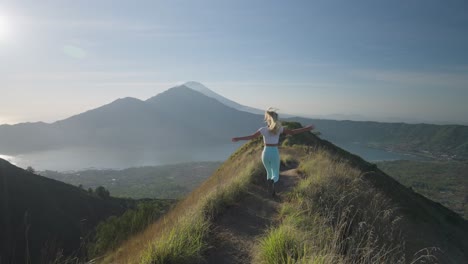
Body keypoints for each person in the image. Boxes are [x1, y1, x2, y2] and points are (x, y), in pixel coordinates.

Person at [231, 108, 314, 196]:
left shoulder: (262, 129)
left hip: (265, 153)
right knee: (275, 174)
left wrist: (238, 138)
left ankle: (271, 191)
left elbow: (251, 137)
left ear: (267, 119)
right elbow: (293, 132)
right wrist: (307, 128)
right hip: (274, 152)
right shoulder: (279, 129)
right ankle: (272, 183)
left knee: (269, 172)